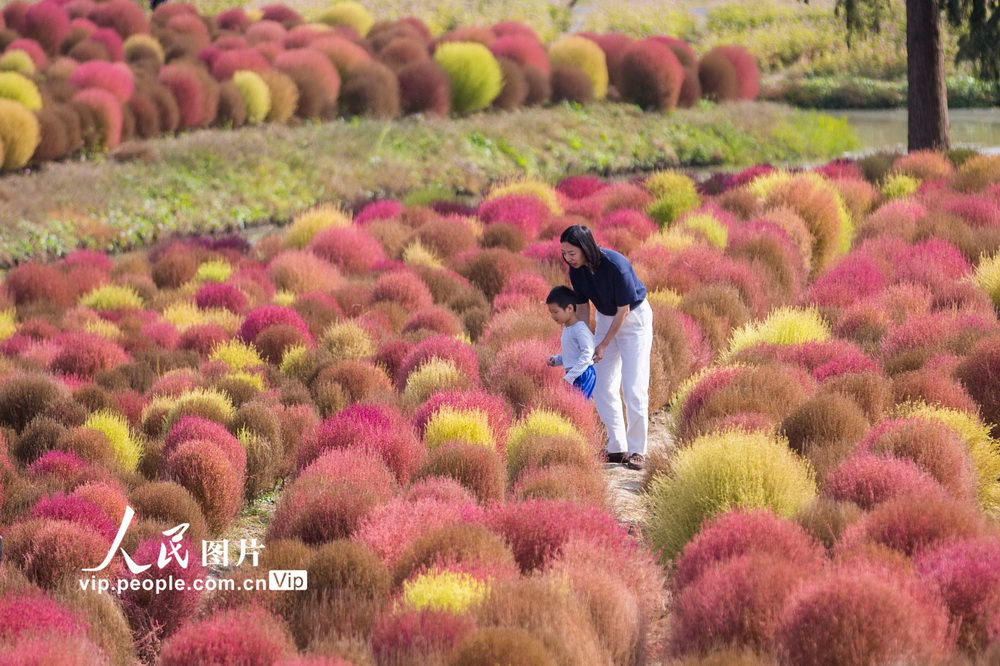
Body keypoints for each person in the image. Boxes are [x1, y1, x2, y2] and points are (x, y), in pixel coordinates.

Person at [560, 224, 653, 470]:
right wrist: (580, 340)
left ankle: (637, 451)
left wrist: (601, 345)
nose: (568, 258)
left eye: (572, 253)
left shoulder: (616, 265)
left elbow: (622, 311)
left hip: (633, 320)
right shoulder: (576, 272)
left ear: (585, 247)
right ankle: (616, 447)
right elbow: (582, 309)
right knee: (601, 385)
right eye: (564, 254)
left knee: (633, 386)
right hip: (605, 319)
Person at [545, 286, 597, 400]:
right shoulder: (567, 329)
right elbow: (573, 355)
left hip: (583, 374)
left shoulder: (580, 329)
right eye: (551, 312)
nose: (552, 316)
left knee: (579, 405)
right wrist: (557, 360)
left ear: (569, 308)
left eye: (555, 312)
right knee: (573, 405)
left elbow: (588, 354)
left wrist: (571, 376)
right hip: (574, 373)